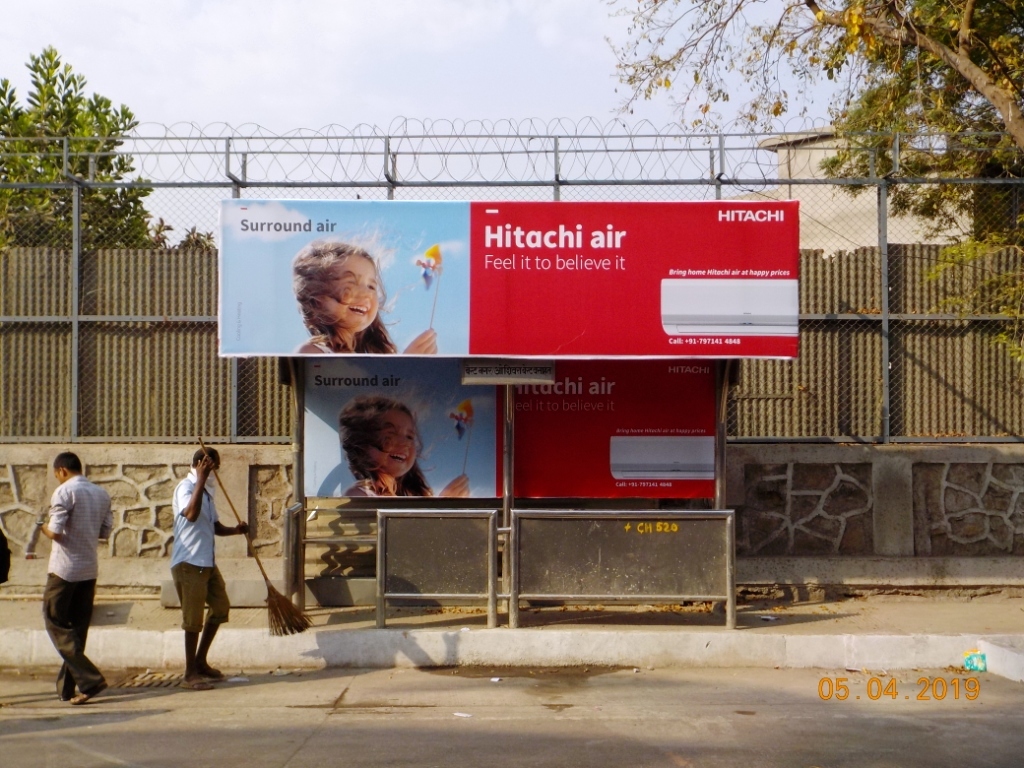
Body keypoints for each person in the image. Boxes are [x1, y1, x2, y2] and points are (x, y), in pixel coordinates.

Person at [170, 448, 248, 691]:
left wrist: (236, 530)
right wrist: (201, 480)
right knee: (192, 620)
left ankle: (200, 661)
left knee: (220, 607)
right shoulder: (185, 488)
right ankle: (189, 674)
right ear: (201, 465)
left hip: (207, 562)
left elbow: (214, 526)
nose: (216, 474)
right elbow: (191, 515)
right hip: (189, 562)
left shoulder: (207, 495)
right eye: (213, 469)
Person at [38, 452, 113, 705]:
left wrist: (42, 526)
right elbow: (105, 532)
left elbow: (56, 532)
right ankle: (67, 688)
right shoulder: (101, 494)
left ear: (61, 470)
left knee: (55, 623)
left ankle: (91, 679)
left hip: (64, 570)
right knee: (77, 631)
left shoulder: (63, 492)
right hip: (88, 569)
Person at [292, 239, 437, 355]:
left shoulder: (374, 360)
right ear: (317, 299)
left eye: (371, 287)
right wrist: (406, 368)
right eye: (352, 283)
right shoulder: (313, 353)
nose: (366, 294)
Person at [339, 395, 469, 497]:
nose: (405, 443)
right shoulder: (359, 494)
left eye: (410, 437)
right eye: (391, 434)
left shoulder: (411, 496)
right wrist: (442, 509)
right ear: (363, 443)